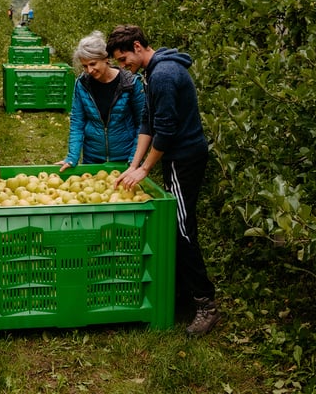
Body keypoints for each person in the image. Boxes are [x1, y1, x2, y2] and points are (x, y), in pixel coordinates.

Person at [107, 24, 221, 336]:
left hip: (184, 160)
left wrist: (145, 170)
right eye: (117, 61)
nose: (121, 66)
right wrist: (133, 165)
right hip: (175, 158)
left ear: (139, 46)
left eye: (123, 58)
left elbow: (166, 130)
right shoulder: (151, 73)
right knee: (176, 226)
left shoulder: (164, 75)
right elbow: (148, 122)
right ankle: (184, 292)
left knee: (183, 230)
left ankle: (205, 303)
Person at [57, 31, 145, 172]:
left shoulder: (130, 83)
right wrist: (72, 157)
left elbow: (142, 124)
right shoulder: (82, 84)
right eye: (85, 66)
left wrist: (134, 160)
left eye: (93, 64)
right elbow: (77, 122)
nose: (89, 70)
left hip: (124, 160)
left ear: (105, 58)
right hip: (93, 158)